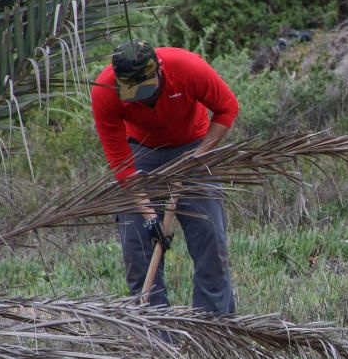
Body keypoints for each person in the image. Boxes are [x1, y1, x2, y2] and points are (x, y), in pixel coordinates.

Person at [91, 40, 238, 313]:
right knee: (137, 248)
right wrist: (149, 218)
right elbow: (122, 164)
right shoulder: (105, 91)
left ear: (159, 69)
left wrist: (196, 159)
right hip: (140, 151)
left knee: (210, 241)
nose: (142, 100)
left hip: (193, 145)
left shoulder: (188, 68)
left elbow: (227, 108)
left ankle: (214, 326)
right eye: (133, 94)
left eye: (146, 91)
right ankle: (155, 331)